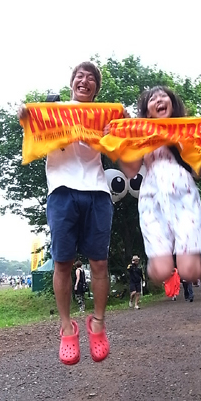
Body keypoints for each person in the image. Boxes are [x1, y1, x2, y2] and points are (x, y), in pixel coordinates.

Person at [18, 61, 126, 365]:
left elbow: (119, 149)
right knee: (62, 262)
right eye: (80, 76)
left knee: (99, 262)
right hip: (62, 189)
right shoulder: (53, 110)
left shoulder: (104, 116)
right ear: (72, 82)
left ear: (96, 89)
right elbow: (29, 125)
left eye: (91, 78)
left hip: (97, 189)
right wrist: (24, 115)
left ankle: (98, 323)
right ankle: (66, 327)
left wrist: (120, 126)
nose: (85, 80)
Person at [118, 86, 201, 284]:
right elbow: (131, 170)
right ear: (147, 111)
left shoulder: (188, 131)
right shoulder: (140, 134)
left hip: (183, 196)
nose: (159, 100)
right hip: (152, 200)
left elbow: (197, 172)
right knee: (160, 272)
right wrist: (123, 138)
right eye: (153, 99)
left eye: (163, 96)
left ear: (172, 104)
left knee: (189, 272)